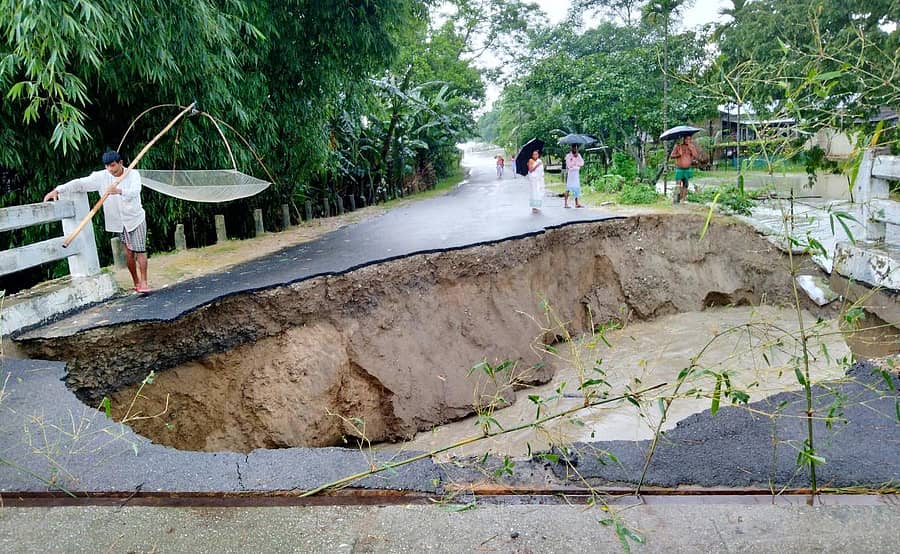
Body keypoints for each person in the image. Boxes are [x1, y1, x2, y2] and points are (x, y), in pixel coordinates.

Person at [44, 150, 151, 293]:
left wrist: (118, 191)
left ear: (120, 163)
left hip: (135, 218)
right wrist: (58, 190)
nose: (110, 170)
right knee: (129, 253)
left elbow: (135, 191)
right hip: (119, 222)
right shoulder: (101, 177)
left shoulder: (133, 174)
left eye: (113, 165)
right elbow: (80, 183)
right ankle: (136, 282)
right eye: (107, 166)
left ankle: (144, 282)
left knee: (140, 250)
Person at [670, 135, 702, 203]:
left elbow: (696, 156)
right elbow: (671, 156)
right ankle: (677, 199)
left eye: (690, 139)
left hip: (687, 168)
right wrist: (678, 154)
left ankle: (683, 199)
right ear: (684, 139)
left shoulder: (691, 147)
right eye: (687, 139)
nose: (688, 141)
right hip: (679, 168)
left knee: (685, 184)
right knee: (678, 184)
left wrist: (692, 149)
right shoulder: (678, 146)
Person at [527, 149, 544, 213]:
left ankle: (537, 206)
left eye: (536, 154)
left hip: (539, 179)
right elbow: (530, 170)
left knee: (538, 192)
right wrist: (537, 165)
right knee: (534, 192)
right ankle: (534, 207)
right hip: (533, 180)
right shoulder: (530, 160)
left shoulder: (539, 160)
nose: (535, 155)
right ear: (532, 155)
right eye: (534, 154)